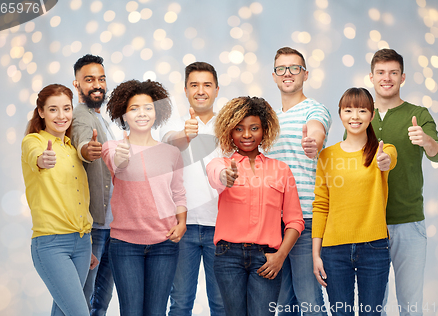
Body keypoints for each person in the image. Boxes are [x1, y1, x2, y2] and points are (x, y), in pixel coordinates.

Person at [206, 96, 305, 316]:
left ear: (265, 130)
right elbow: (216, 177)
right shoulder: (220, 164)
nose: (247, 135)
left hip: (267, 258)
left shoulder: (281, 170)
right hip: (228, 256)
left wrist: (280, 256)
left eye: (254, 128)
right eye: (239, 129)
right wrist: (226, 177)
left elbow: (295, 221)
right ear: (230, 132)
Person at [369, 49, 438, 316]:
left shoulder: (418, 114)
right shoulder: (360, 117)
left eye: (393, 73)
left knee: (410, 306)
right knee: (371, 306)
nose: (386, 78)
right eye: (381, 72)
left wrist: (426, 141)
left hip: (409, 222)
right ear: (371, 77)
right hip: (369, 225)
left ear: (403, 78)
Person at [101, 79, 187, 315]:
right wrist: (122, 156)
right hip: (125, 245)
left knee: (156, 311)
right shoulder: (113, 147)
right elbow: (118, 165)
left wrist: (182, 223)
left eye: (148, 107)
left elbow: (178, 191)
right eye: (134, 108)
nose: (142, 113)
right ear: (124, 115)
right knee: (131, 311)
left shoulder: (170, 153)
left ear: (156, 112)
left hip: (164, 244)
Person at [312, 87, 397, 315]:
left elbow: (389, 160)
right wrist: (315, 254)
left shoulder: (383, 150)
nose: (355, 116)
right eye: (348, 110)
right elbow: (321, 205)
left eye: (362, 110)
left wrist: (384, 161)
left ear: (371, 115)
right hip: (334, 251)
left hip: (374, 246)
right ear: (340, 114)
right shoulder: (327, 156)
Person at [21, 84, 98, 316]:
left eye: (66, 108)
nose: (62, 115)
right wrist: (43, 159)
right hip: (51, 244)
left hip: (82, 243)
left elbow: (79, 199)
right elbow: (36, 157)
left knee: (63, 312)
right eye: (53, 109)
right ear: (41, 112)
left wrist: (87, 239)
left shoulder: (72, 149)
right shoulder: (33, 142)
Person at [267, 46, 331, 315]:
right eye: (281, 68)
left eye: (294, 68)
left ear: (305, 74)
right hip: (273, 224)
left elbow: (317, 130)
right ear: (274, 76)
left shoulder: (314, 109)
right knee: (280, 306)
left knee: (310, 303)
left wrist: (312, 143)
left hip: (306, 220)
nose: (288, 73)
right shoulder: (268, 120)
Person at [160, 62, 225, 315]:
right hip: (181, 228)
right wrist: (185, 135)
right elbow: (169, 142)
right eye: (194, 85)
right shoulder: (171, 125)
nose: (201, 90)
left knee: (221, 303)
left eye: (207, 85)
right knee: (180, 302)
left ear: (217, 90)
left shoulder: (228, 126)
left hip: (221, 228)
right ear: (185, 90)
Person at [71, 54, 115, 316]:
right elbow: (83, 144)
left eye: (101, 79)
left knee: (99, 303)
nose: (97, 85)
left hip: (110, 226)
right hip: (94, 227)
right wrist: (88, 150)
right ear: (77, 85)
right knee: (84, 301)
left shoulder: (103, 119)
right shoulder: (81, 116)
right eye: (89, 80)